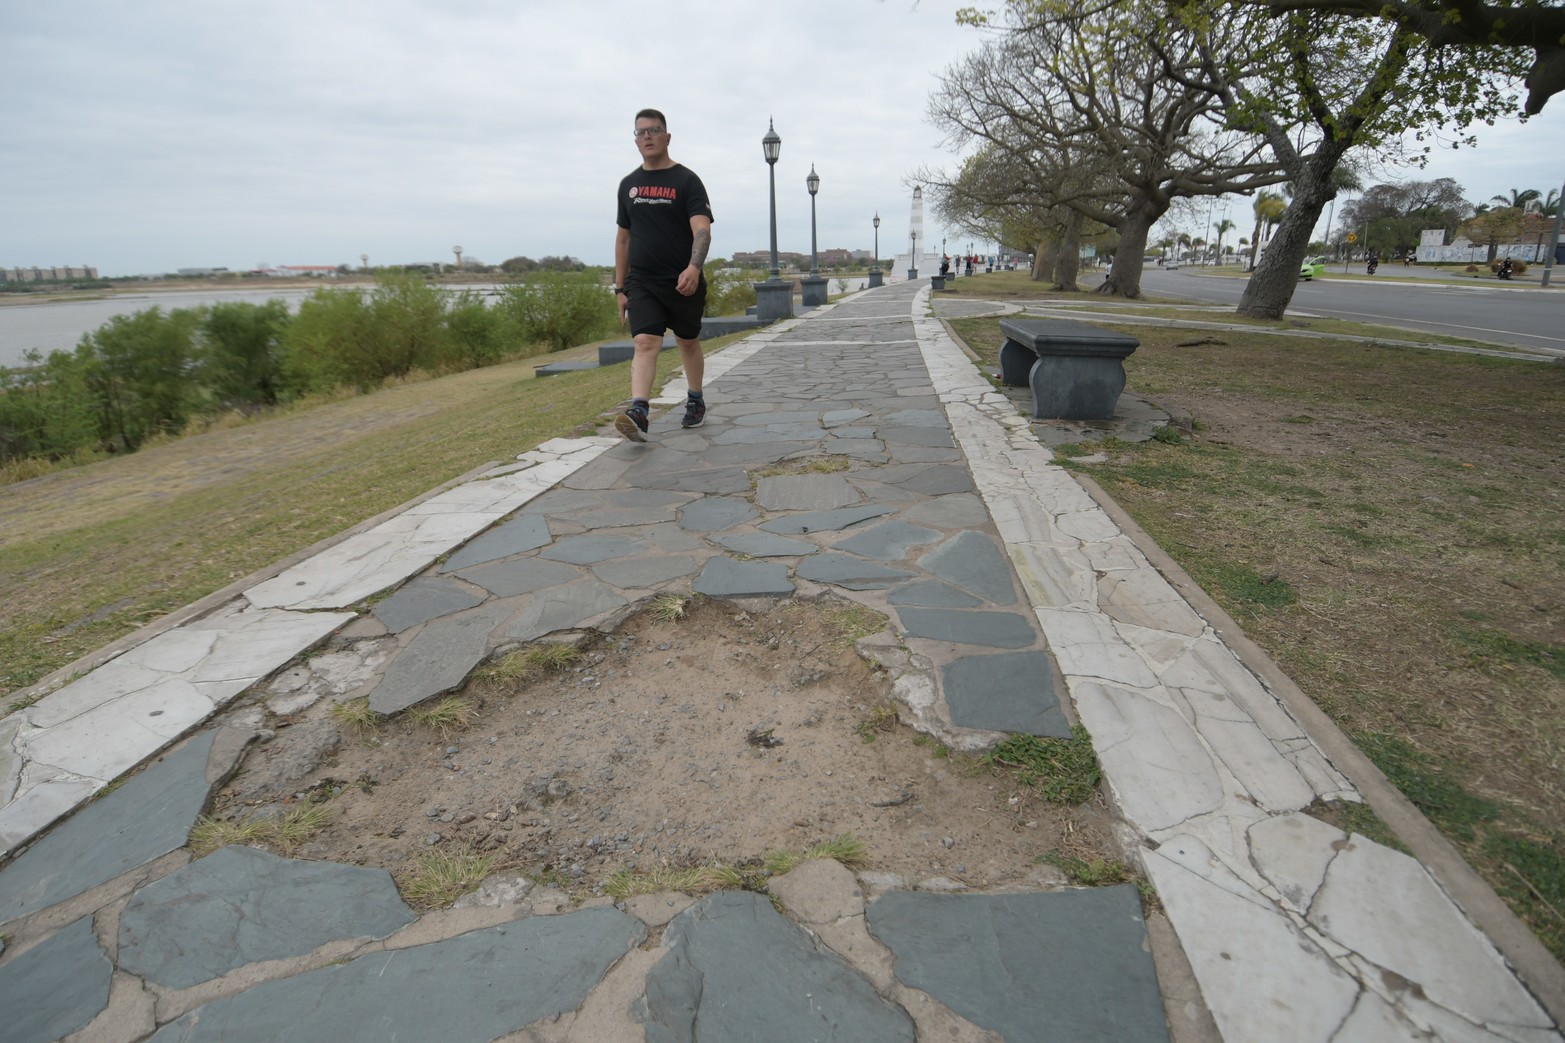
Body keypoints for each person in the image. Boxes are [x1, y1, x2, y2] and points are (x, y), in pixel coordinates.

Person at [612, 108, 714, 442]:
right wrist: (620, 287)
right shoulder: (628, 186)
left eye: (654, 130)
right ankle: (639, 411)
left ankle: (695, 399)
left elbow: (702, 230)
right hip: (642, 281)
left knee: (687, 341)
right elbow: (623, 239)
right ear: (636, 139)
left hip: (683, 280)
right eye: (640, 132)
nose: (647, 137)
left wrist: (694, 267)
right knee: (645, 341)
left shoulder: (687, 181)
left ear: (667, 137)